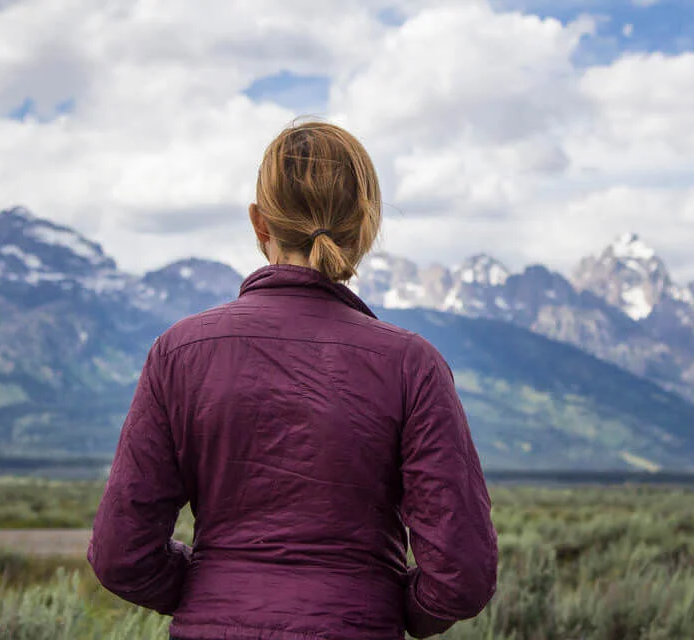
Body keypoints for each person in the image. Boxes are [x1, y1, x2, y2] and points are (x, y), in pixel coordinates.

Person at [87, 121, 498, 640]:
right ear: (366, 227)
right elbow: (462, 574)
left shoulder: (179, 352)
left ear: (259, 224)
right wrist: (386, 609)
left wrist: (213, 595)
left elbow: (121, 553)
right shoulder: (411, 364)